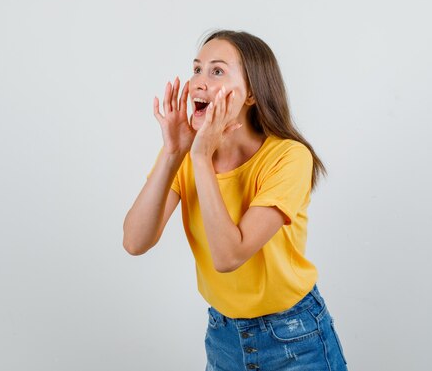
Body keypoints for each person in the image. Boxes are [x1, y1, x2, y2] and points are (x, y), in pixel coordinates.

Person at [123, 30, 348, 371]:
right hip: (223, 336)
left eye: (216, 71)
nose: (199, 82)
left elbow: (229, 256)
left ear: (252, 93)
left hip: (294, 338)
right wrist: (173, 153)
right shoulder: (185, 155)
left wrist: (201, 157)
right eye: (196, 69)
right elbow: (135, 241)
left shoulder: (288, 158)